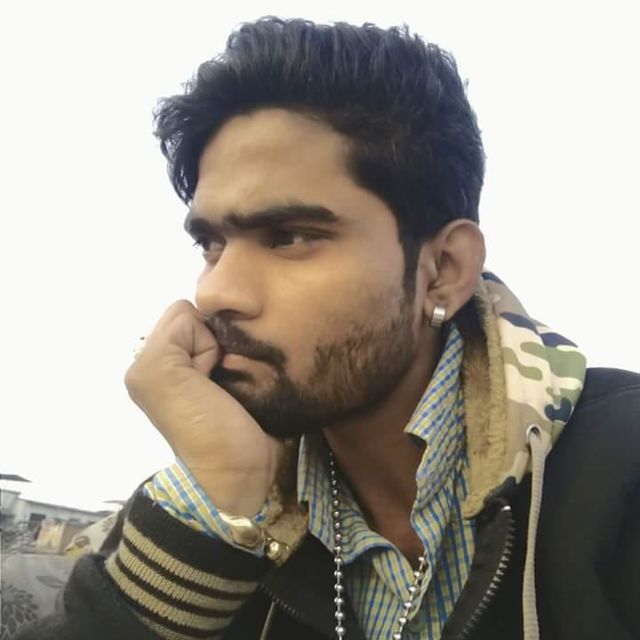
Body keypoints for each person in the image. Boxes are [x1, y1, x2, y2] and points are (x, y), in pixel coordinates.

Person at [16, 17, 639, 640]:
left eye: (288, 237)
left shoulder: (619, 473)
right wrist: (219, 503)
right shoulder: (207, 502)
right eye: (211, 244)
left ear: (443, 270)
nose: (215, 293)